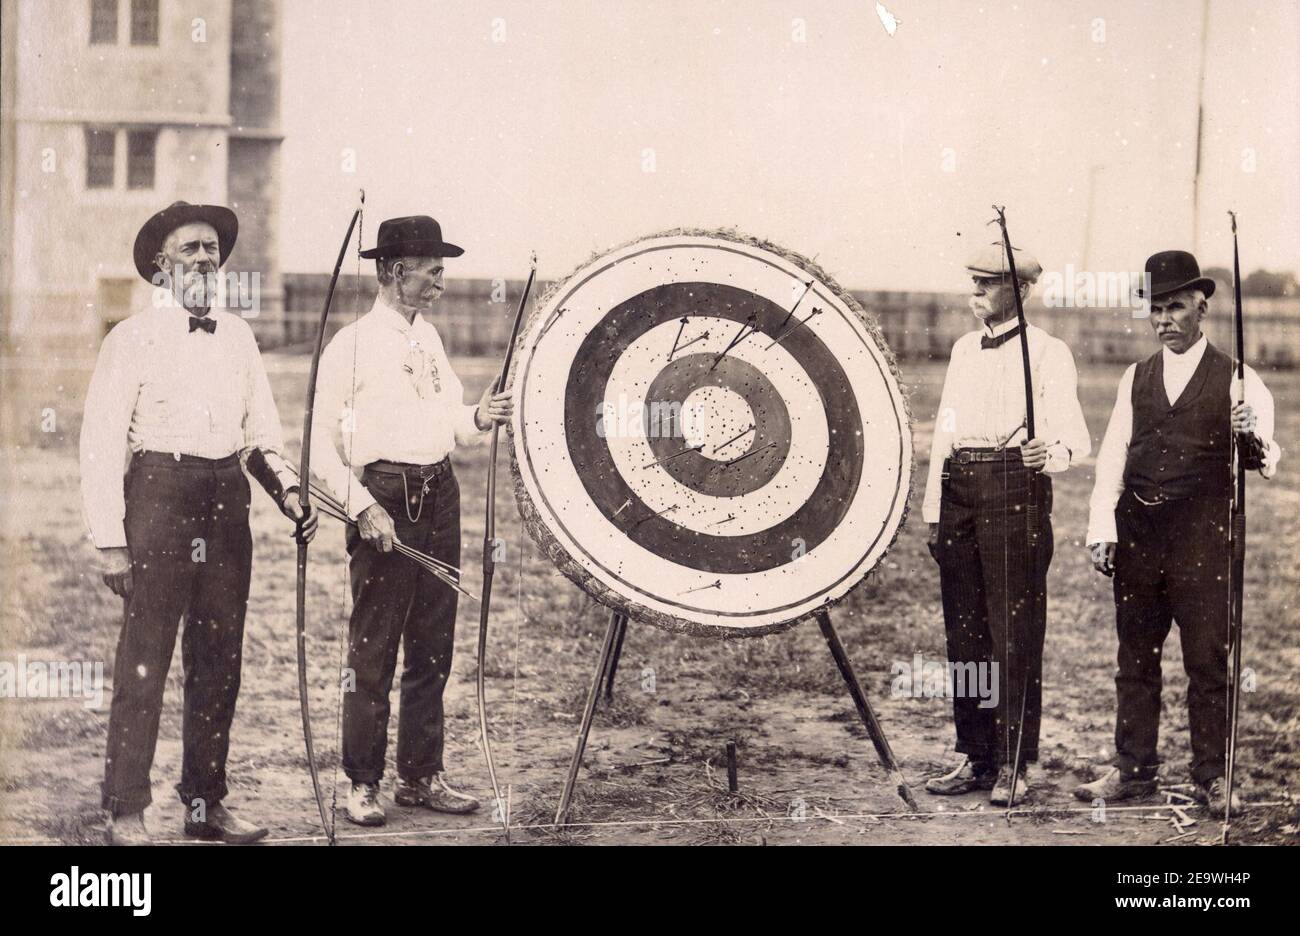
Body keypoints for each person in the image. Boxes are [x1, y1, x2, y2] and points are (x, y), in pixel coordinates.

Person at [80, 201, 316, 845]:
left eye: (212, 248)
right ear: (161, 266)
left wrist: (289, 493)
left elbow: (259, 433)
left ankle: (206, 804)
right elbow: (101, 444)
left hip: (225, 500)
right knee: (145, 662)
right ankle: (125, 808)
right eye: (190, 249)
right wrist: (110, 541)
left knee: (219, 659)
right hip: (158, 496)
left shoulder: (237, 336)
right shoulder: (129, 339)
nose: (205, 258)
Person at [307, 215, 512, 827]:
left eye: (441, 271)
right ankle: (362, 782)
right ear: (396, 272)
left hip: (439, 496)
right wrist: (362, 507)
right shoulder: (351, 345)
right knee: (373, 650)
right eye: (432, 271)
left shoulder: (430, 339)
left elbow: (450, 413)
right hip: (384, 500)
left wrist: (480, 413)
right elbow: (317, 444)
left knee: (433, 648)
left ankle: (421, 776)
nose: (441, 283)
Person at [1076, 250, 1281, 816]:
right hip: (1139, 532)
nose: (1164, 320)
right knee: (1134, 659)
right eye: (1156, 310)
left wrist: (1250, 432)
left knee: (1207, 662)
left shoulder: (1239, 378)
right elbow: (1114, 455)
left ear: (1202, 308)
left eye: (1176, 308)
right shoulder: (1134, 377)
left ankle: (1212, 776)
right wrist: (1102, 527)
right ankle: (1132, 770)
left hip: (1202, 535)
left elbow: (1268, 460)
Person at [923, 242, 1091, 805]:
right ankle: (975, 756)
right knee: (965, 633)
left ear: (1020, 290)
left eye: (987, 283)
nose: (975, 293)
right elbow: (945, 433)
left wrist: (1053, 453)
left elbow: (1075, 438)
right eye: (972, 281)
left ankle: (1015, 763)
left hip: (1013, 492)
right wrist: (932, 510)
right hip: (959, 494)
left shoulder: (1047, 352)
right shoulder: (963, 350)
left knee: (1011, 634)